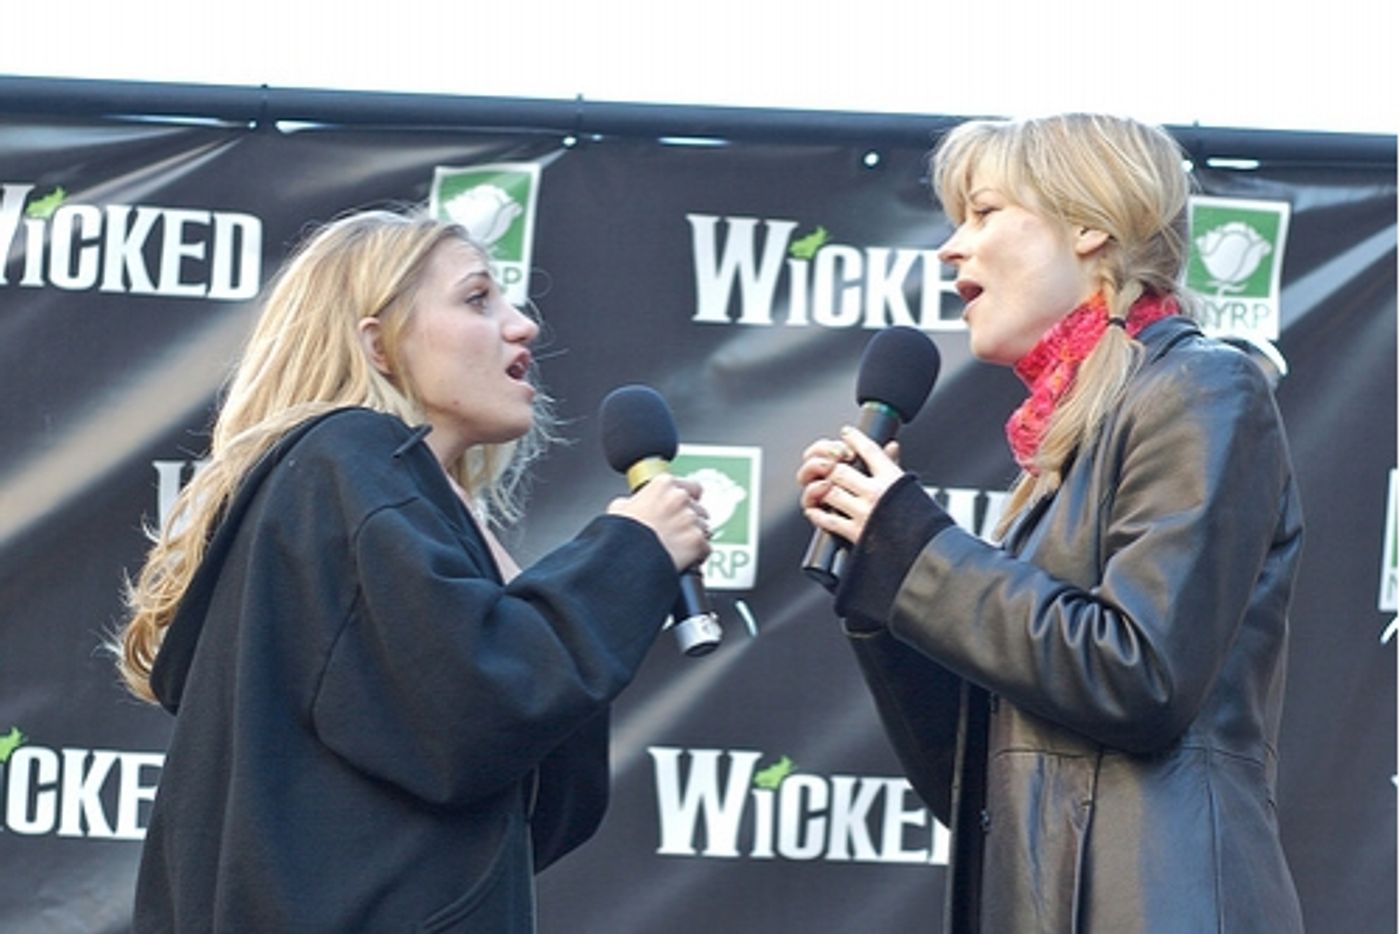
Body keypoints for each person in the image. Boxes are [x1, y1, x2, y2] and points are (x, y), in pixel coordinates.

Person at [115, 208, 710, 932]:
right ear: (379, 344)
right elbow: (470, 708)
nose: (523, 326)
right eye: (477, 298)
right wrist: (632, 551)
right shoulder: (343, 457)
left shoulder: (381, 500)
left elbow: (523, 809)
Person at [797, 114, 1305, 932]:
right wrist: (880, 577)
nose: (951, 248)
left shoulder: (1203, 388)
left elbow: (1139, 676)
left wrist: (920, 548)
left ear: (1089, 226)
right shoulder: (1070, 444)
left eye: (984, 213)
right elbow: (976, 786)